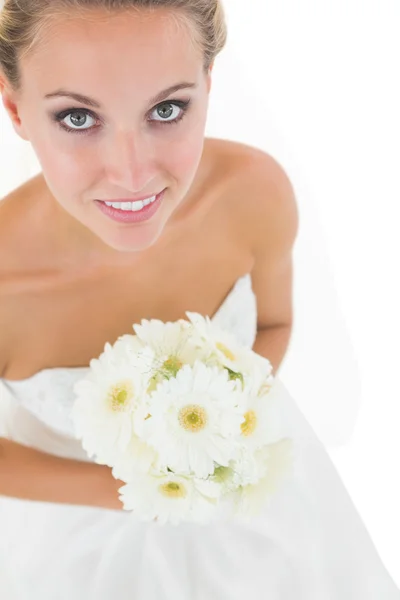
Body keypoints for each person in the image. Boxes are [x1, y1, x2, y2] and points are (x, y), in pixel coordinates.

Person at [0, 1, 398, 598]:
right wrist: (140, 488)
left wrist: (221, 444)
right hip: (73, 547)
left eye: (167, 109)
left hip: (257, 510)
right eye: (78, 118)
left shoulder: (253, 194)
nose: (131, 175)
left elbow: (276, 323)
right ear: (15, 108)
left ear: (208, 85)